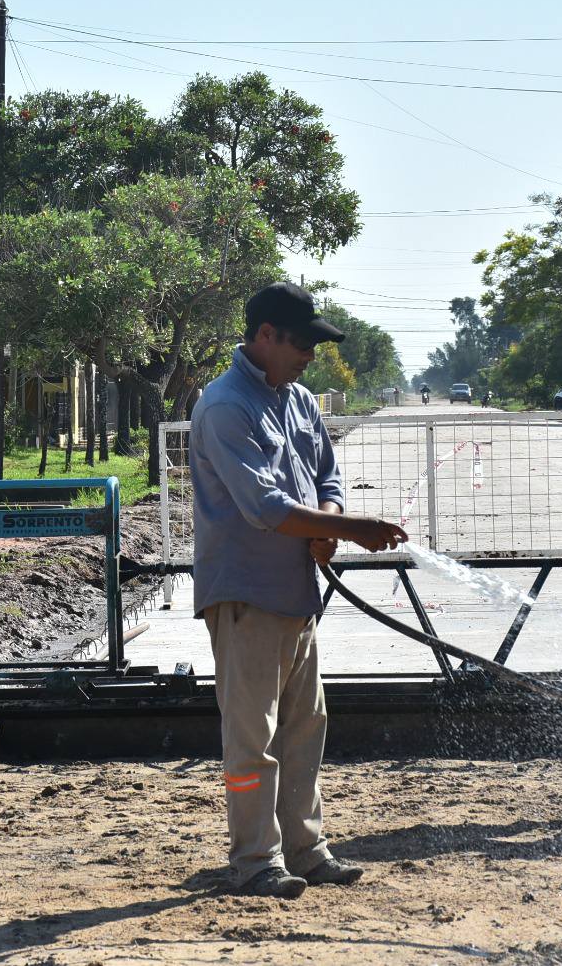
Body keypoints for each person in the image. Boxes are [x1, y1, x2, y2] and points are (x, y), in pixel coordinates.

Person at [190, 281, 408, 899]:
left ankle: (306, 852)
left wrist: (329, 520)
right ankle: (255, 860)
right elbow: (265, 507)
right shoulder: (225, 406)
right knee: (252, 740)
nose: (311, 355)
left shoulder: (300, 400)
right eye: (303, 344)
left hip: (295, 593)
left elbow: (325, 477)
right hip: (246, 594)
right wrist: (350, 529)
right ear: (266, 336)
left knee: (304, 731)